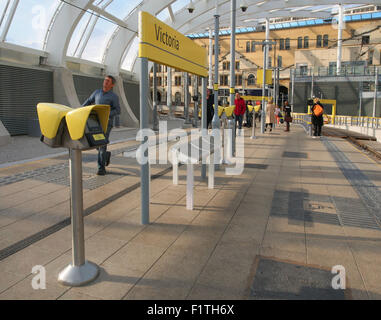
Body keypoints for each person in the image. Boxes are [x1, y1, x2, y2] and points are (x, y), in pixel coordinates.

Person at [82, 75, 121, 175]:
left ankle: (101, 168)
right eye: (105, 80)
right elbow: (88, 101)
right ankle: (106, 155)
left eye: (108, 81)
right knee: (96, 143)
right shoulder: (96, 92)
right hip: (95, 123)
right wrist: (80, 109)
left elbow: (118, 110)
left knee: (102, 145)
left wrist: (107, 114)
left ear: (112, 85)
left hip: (107, 124)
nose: (105, 82)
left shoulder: (114, 97)